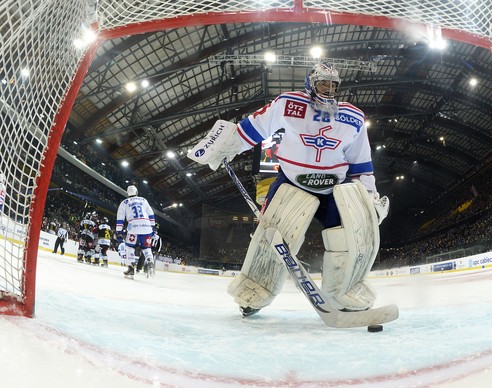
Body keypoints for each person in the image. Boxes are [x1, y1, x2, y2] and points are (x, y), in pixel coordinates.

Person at [188, 62, 389, 317]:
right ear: (310, 84)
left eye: (333, 85)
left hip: (334, 187)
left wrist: (368, 195)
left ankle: (343, 291)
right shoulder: (288, 103)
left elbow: (361, 164)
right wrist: (225, 146)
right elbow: (253, 128)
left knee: (350, 238)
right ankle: (255, 290)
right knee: (272, 237)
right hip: (293, 182)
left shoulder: (353, 117)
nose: (328, 89)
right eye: (323, 83)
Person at [116, 185, 156, 277]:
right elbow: (151, 214)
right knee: (146, 248)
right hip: (147, 227)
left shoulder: (124, 203)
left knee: (129, 247)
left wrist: (119, 232)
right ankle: (150, 263)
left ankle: (130, 268)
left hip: (133, 228)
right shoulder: (143, 200)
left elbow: (120, 219)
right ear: (137, 192)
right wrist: (152, 227)